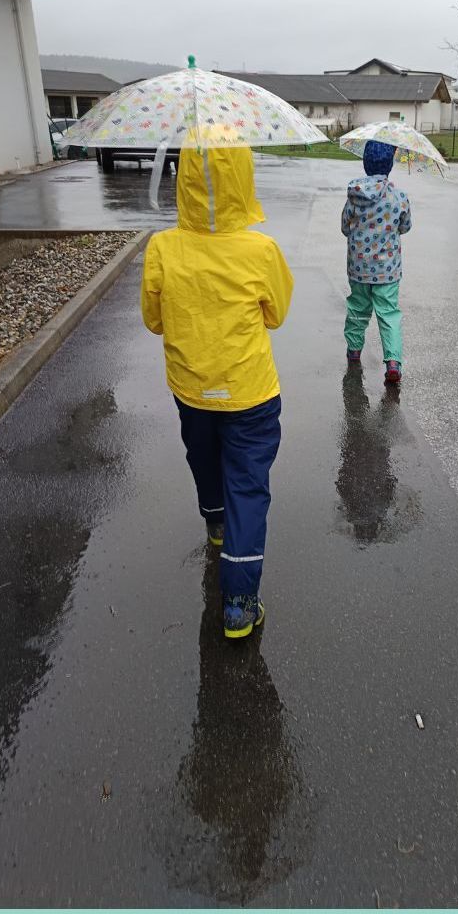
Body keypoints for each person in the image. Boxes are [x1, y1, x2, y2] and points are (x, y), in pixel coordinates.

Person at [141, 145, 293, 640]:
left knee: (203, 458)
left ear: (182, 179)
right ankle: (240, 602)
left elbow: (153, 319)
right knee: (247, 485)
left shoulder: (163, 247)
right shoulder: (261, 250)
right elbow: (276, 314)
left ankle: (214, 523)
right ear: (243, 180)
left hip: (191, 388)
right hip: (250, 391)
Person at [341, 140, 412, 384]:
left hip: (359, 267)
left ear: (365, 163)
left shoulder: (354, 195)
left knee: (358, 308)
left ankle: (353, 350)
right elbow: (405, 226)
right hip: (387, 270)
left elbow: (344, 227)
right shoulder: (399, 197)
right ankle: (393, 362)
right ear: (390, 164)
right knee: (388, 313)